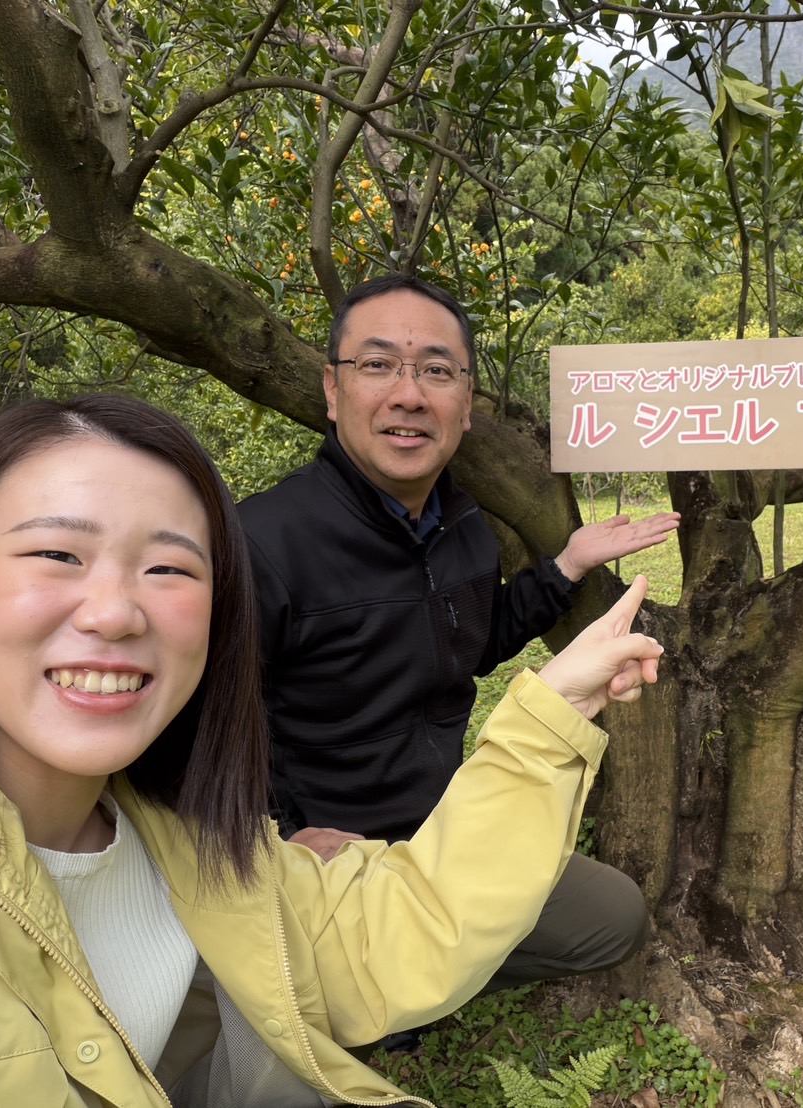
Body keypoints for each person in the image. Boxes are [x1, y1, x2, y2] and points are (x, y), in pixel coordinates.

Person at [0, 394, 664, 1107]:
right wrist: (295, 824)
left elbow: (475, 647)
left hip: (354, 849)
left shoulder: (184, 844)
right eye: (55, 554)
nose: (115, 612)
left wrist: (559, 669)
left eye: (169, 570)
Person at [238, 274, 679, 999]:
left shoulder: (463, 526)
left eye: (436, 371)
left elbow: (472, 643)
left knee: (610, 917)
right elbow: (201, 729)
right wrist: (272, 838)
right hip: (324, 857)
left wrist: (564, 566)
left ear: (465, 403)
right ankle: (350, 986)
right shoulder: (262, 544)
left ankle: (423, 968)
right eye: (377, 365)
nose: (408, 394)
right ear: (331, 389)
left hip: (446, 827)